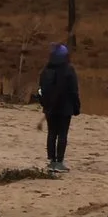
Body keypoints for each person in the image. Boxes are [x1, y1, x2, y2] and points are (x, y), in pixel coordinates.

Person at [35, 43, 80, 174]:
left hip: (50, 108)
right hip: (65, 107)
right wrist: (76, 106)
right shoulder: (69, 70)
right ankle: (59, 162)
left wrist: (45, 104)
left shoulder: (46, 70)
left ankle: (52, 161)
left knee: (52, 133)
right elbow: (73, 90)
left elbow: (40, 90)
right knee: (62, 134)